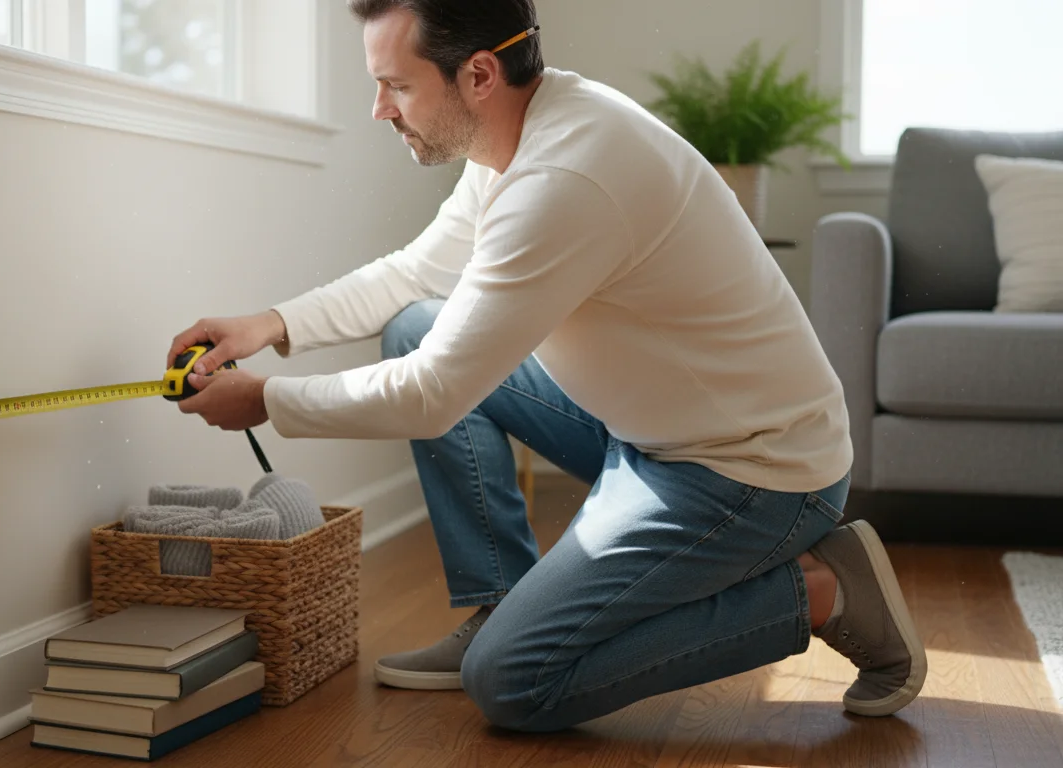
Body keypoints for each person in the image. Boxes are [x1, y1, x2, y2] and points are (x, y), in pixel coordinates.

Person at [166, 0, 926, 733]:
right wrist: (267, 325)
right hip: (650, 432)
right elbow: (419, 272)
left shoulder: (567, 179)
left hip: (750, 471)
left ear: (479, 75)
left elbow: (433, 396)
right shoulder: (516, 133)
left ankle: (824, 590)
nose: (379, 109)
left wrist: (266, 401)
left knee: (514, 683)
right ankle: (503, 601)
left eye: (396, 85)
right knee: (415, 326)